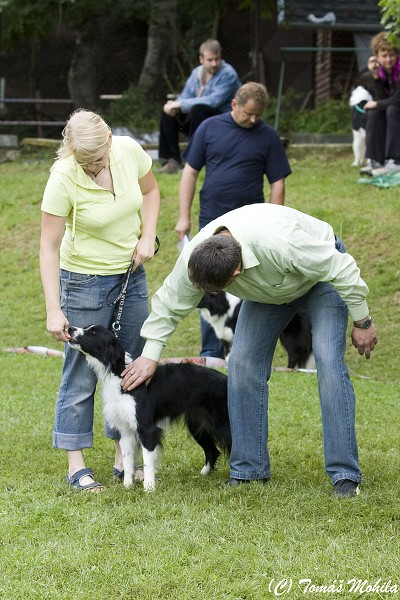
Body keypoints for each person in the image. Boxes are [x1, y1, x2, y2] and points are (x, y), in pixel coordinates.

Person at [121, 203, 378, 498]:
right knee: (242, 363)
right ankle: (248, 471)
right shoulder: (199, 255)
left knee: (328, 361)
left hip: (320, 279)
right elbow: (170, 301)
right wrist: (150, 354)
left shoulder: (282, 243)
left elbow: (341, 267)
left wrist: (363, 320)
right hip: (268, 290)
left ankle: (345, 475)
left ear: (237, 271)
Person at [40, 109, 160, 492]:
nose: (93, 167)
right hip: (83, 280)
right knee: (80, 374)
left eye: (98, 159)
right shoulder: (62, 177)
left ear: (110, 140)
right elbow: (48, 245)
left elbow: (152, 192)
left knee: (129, 366)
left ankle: (122, 456)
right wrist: (53, 308)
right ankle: (77, 465)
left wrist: (147, 238)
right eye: (84, 162)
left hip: (130, 273)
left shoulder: (128, 150)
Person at [175, 82, 291, 358]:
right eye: (248, 113)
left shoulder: (268, 137)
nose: (253, 119)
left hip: (250, 228)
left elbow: (277, 182)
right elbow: (190, 172)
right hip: (212, 222)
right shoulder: (209, 128)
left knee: (248, 284)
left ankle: (245, 349)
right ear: (234, 105)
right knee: (207, 282)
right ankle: (211, 350)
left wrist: (274, 221)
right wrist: (183, 217)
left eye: (258, 115)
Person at [159, 39, 241, 174]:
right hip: (197, 121)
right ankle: (172, 161)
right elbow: (186, 95)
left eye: (217, 59)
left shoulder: (228, 74)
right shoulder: (197, 72)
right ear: (201, 59)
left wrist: (180, 104)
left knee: (199, 109)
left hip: (221, 122)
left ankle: (192, 160)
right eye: (210, 60)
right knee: (168, 112)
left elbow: (214, 101)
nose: (214, 63)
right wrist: (174, 107)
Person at [360, 32, 400, 176]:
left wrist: (375, 103)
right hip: (393, 109)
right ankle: (375, 160)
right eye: (384, 56)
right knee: (376, 112)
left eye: (392, 55)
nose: (389, 60)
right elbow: (382, 98)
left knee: (392, 110)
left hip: (396, 110)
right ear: (376, 57)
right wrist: (376, 76)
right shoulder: (383, 72)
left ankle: (396, 161)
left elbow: (397, 100)